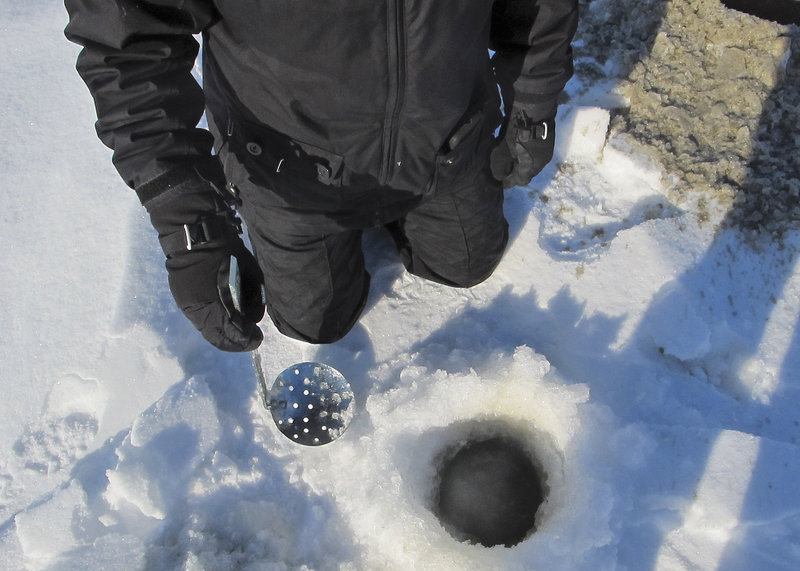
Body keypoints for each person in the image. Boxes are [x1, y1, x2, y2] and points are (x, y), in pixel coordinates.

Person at [64, 0, 578, 352]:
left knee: (466, 267)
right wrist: (188, 220)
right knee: (315, 326)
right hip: (289, 173)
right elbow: (126, 49)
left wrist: (533, 103)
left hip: (449, 139)